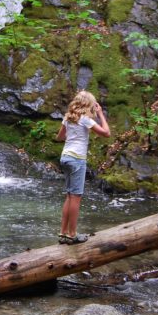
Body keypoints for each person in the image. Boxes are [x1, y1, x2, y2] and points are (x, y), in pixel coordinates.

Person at [55, 90, 110, 245]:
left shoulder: (68, 117)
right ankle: (72, 234)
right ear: (89, 104)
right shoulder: (86, 119)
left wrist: (72, 134)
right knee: (76, 197)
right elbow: (106, 133)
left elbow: (59, 137)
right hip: (77, 160)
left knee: (69, 195)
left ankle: (63, 233)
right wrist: (100, 115)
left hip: (65, 157)